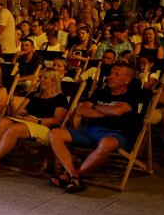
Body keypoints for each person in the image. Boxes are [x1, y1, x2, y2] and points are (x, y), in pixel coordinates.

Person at [47, 63, 140, 193]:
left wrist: (95, 108)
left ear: (127, 80)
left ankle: (74, 175)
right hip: (89, 132)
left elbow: (117, 111)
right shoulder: (100, 93)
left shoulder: (132, 95)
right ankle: (73, 175)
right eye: (111, 73)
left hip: (115, 134)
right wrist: (107, 110)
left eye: (116, 74)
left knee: (106, 142)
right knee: (55, 133)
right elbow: (81, 110)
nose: (110, 77)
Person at [0, 69, 69, 177]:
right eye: (40, 77)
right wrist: (22, 115)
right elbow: (19, 111)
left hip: (43, 126)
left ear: (54, 81)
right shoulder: (33, 94)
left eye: (45, 78)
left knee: (14, 128)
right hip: (26, 122)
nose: (41, 80)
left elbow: (57, 120)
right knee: (3, 121)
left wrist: (37, 120)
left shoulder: (60, 98)